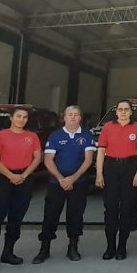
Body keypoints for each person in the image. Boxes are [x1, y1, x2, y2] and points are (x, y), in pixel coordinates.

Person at [0, 107, 42, 273]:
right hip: (3, 179)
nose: (21, 119)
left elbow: (37, 158)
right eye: (18, 116)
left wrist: (24, 175)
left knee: (16, 217)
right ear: (12, 118)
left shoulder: (32, 136)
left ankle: (8, 252)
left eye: (25, 117)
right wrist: (10, 175)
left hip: (24, 179)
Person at [33, 105, 96, 264]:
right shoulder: (55, 136)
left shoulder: (87, 135)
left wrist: (72, 178)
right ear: (64, 118)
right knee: (50, 215)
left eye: (76, 114)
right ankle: (44, 248)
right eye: (70, 114)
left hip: (78, 183)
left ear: (80, 118)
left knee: (75, 216)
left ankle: (73, 247)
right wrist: (61, 179)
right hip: (56, 183)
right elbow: (48, 160)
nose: (73, 117)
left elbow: (88, 160)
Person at [95, 100, 137, 261]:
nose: (123, 112)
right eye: (120, 109)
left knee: (126, 209)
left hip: (130, 168)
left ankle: (122, 247)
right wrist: (99, 173)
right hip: (111, 167)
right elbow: (101, 150)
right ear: (116, 112)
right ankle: (110, 247)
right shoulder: (108, 127)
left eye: (126, 109)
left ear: (131, 112)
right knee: (110, 208)